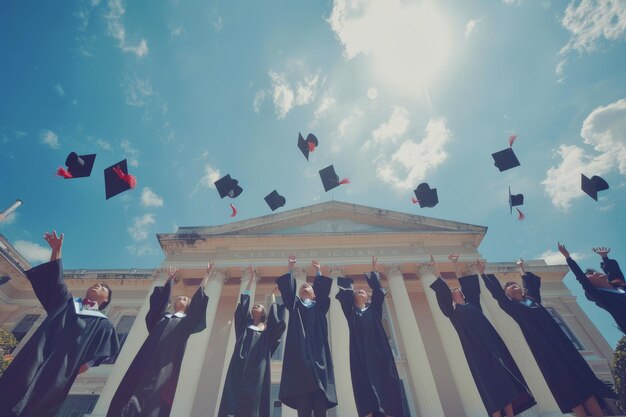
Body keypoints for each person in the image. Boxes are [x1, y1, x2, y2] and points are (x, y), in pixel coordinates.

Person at [0, 231, 119, 417]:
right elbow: (56, 280)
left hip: (58, 374)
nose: (97, 285)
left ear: (106, 299)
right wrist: (57, 250)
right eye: (96, 283)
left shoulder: (104, 325)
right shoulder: (66, 303)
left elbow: (95, 357)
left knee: (38, 406)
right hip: (32, 358)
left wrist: (71, 369)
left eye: (102, 286)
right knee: (9, 395)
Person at [481, 257, 614, 417]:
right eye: (509, 287)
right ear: (507, 294)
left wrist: (521, 269)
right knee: (567, 388)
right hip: (545, 350)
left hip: (561, 345)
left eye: (514, 284)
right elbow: (497, 295)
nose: (512, 286)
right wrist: (482, 274)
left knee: (582, 383)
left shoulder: (533, 300)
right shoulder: (512, 307)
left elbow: (530, 286)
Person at [429, 256, 535, 417]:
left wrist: (455, 264)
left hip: (492, 345)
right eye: (451, 290)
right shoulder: (453, 313)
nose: (454, 289)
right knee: (489, 385)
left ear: (462, 293)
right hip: (475, 351)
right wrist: (435, 267)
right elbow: (442, 288)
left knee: (504, 379)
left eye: (456, 288)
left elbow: (466, 281)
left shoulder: (473, 304)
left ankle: (510, 414)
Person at [106, 262, 211, 417]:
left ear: (190, 305)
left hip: (166, 362)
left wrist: (207, 276)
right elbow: (159, 303)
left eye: (186, 299)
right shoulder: (162, 317)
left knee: (155, 395)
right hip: (145, 357)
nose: (182, 298)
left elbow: (199, 300)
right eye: (179, 297)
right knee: (130, 388)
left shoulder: (188, 322)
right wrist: (169, 280)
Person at [335, 257, 403, 417]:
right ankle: (369, 411)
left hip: (379, 353)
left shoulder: (374, 311)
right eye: (356, 291)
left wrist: (374, 272)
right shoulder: (351, 313)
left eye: (362, 291)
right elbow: (344, 297)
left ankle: (389, 411)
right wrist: (341, 275)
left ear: (367, 297)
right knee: (364, 382)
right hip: (361, 355)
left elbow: (379, 294)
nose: (359, 291)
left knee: (385, 380)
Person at [218, 266, 287, 417]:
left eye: (260, 306)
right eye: (255, 305)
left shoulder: (267, 331)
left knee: (254, 398)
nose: (256, 305)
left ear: (264, 313)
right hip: (240, 364)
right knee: (233, 394)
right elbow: (243, 306)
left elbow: (278, 323)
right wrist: (249, 282)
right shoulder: (244, 327)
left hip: (258, 366)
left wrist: (273, 295)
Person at [276, 256, 337, 417]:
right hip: (300, 360)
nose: (305, 287)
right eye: (302, 286)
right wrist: (290, 268)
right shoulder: (294, 305)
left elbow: (324, 292)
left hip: (318, 358)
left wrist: (318, 271)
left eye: (308, 286)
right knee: (303, 406)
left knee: (319, 404)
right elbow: (288, 292)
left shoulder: (319, 307)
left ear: (314, 294)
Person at [559, 243, 626, 333]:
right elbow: (581, 278)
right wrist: (568, 257)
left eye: (593, 272)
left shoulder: (619, 284)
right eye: (590, 274)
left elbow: (615, 271)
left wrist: (604, 256)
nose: (595, 273)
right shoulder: (601, 296)